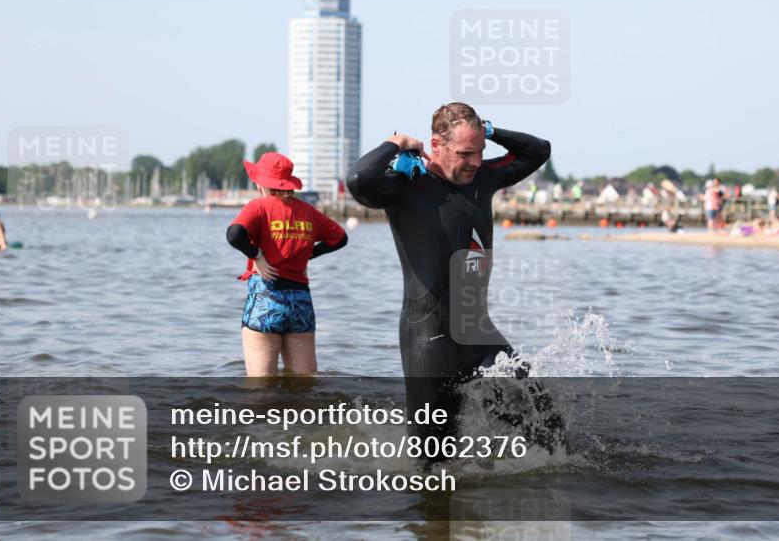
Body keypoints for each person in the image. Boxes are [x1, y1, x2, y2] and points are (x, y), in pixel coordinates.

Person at [346, 102, 551, 443]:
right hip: (429, 342)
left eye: (480, 151)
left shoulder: (483, 177)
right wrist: (395, 143)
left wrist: (491, 130)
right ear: (436, 145)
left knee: (544, 422)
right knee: (434, 460)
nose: (475, 161)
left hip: (479, 335)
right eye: (465, 153)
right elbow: (358, 179)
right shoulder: (404, 187)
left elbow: (538, 151)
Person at [226, 152, 348, 376]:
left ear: (262, 183)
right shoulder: (307, 211)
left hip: (266, 298)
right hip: (300, 302)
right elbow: (340, 238)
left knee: (260, 388)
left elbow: (234, 235)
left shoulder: (259, 207)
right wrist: (310, 253)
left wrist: (257, 255)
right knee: (304, 383)